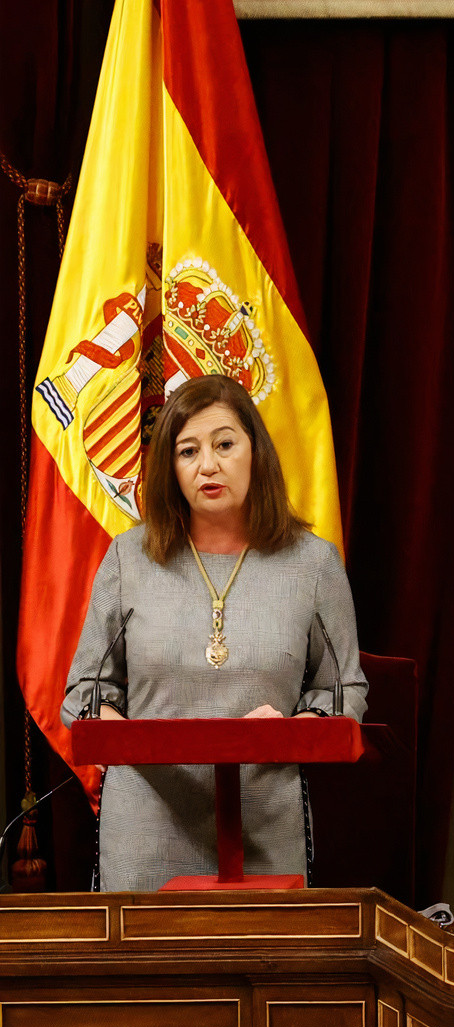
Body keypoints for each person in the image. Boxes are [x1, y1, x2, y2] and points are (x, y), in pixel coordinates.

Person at [60, 374, 369, 892]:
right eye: (187, 451)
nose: (208, 465)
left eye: (224, 444)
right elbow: (83, 693)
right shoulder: (127, 560)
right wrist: (120, 731)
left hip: (265, 829)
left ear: (255, 450)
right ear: (170, 469)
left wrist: (296, 725)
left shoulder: (314, 564)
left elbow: (345, 690)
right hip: (145, 832)